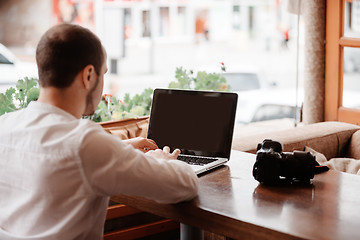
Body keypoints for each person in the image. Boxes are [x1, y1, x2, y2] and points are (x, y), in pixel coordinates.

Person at [0, 24, 198, 240]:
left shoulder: (5, 125)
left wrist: (119, 149)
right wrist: (162, 160)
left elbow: (56, 161)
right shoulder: (85, 143)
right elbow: (185, 184)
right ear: (88, 75)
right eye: (103, 73)